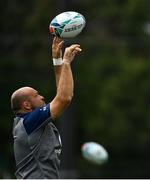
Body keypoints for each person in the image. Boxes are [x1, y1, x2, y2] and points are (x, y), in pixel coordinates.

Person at [11, 37, 82, 179]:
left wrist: (57, 61)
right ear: (26, 105)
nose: (42, 97)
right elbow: (64, 98)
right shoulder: (30, 121)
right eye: (36, 95)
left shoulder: (29, 122)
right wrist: (66, 62)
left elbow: (61, 93)